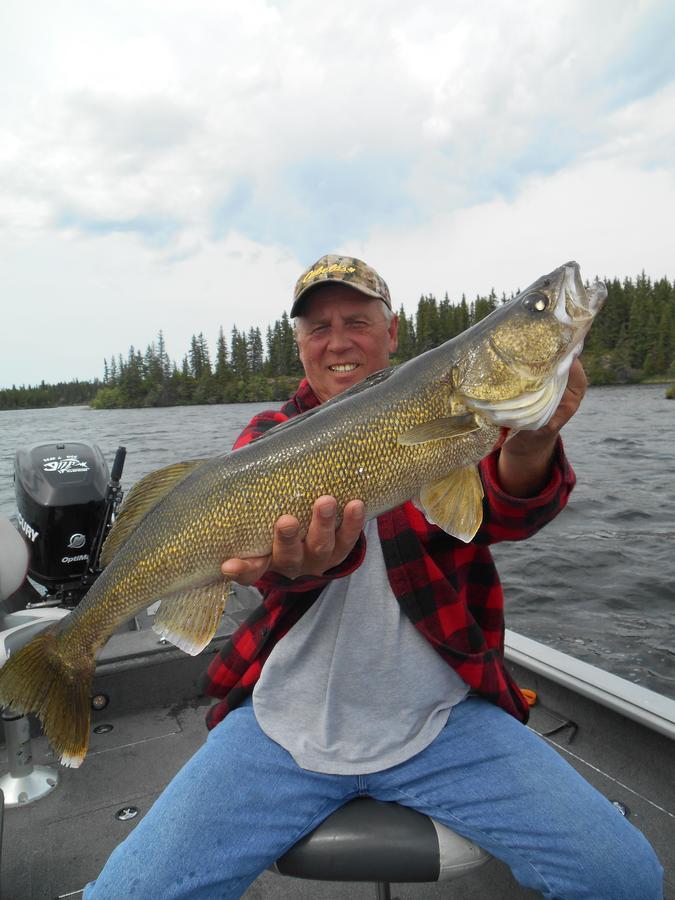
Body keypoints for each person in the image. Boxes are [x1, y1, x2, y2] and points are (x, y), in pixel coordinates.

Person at [85, 255, 663, 899]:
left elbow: (502, 512)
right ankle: (68, 652)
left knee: (622, 875)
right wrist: (303, 568)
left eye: (357, 321)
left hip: (445, 715)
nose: (337, 341)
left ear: (392, 333)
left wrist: (530, 442)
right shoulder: (267, 436)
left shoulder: (463, 412)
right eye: (318, 327)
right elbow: (267, 577)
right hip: (282, 723)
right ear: (300, 344)